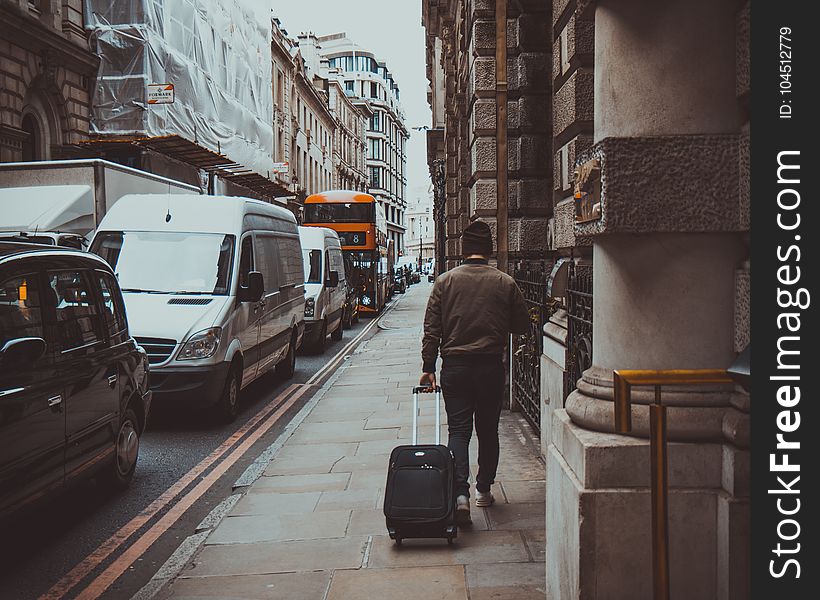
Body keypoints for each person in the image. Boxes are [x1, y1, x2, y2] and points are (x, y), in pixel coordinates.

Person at [420, 220, 529, 524]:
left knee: (459, 431)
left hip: (454, 367)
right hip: (489, 367)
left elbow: (432, 330)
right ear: (489, 250)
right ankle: (483, 489)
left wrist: (428, 367)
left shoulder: (444, 282)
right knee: (488, 430)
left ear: (463, 249)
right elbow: (521, 325)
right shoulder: (504, 282)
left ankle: (459, 494)